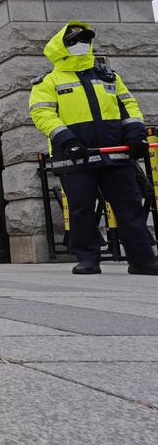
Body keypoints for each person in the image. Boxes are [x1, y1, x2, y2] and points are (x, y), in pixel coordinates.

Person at [29, 21, 158, 275]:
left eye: (85, 40)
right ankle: (88, 258)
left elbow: (129, 107)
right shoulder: (49, 81)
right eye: (74, 41)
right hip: (75, 155)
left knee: (129, 205)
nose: (81, 45)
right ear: (61, 47)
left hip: (115, 152)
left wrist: (135, 133)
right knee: (81, 208)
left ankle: (143, 259)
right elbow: (42, 114)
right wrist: (68, 140)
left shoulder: (109, 76)